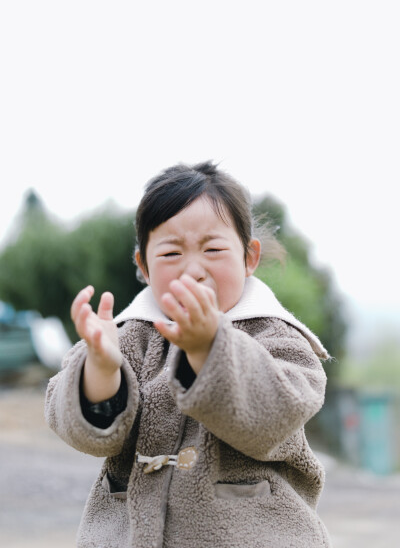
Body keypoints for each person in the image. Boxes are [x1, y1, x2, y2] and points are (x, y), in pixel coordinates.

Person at [45, 161, 332, 548]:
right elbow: (89, 435)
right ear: (143, 266)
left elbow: (279, 414)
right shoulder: (128, 336)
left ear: (249, 257)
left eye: (213, 249)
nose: (193, 270)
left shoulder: (276, 335)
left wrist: (209, 350)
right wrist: (100, 368)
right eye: (170, 253)